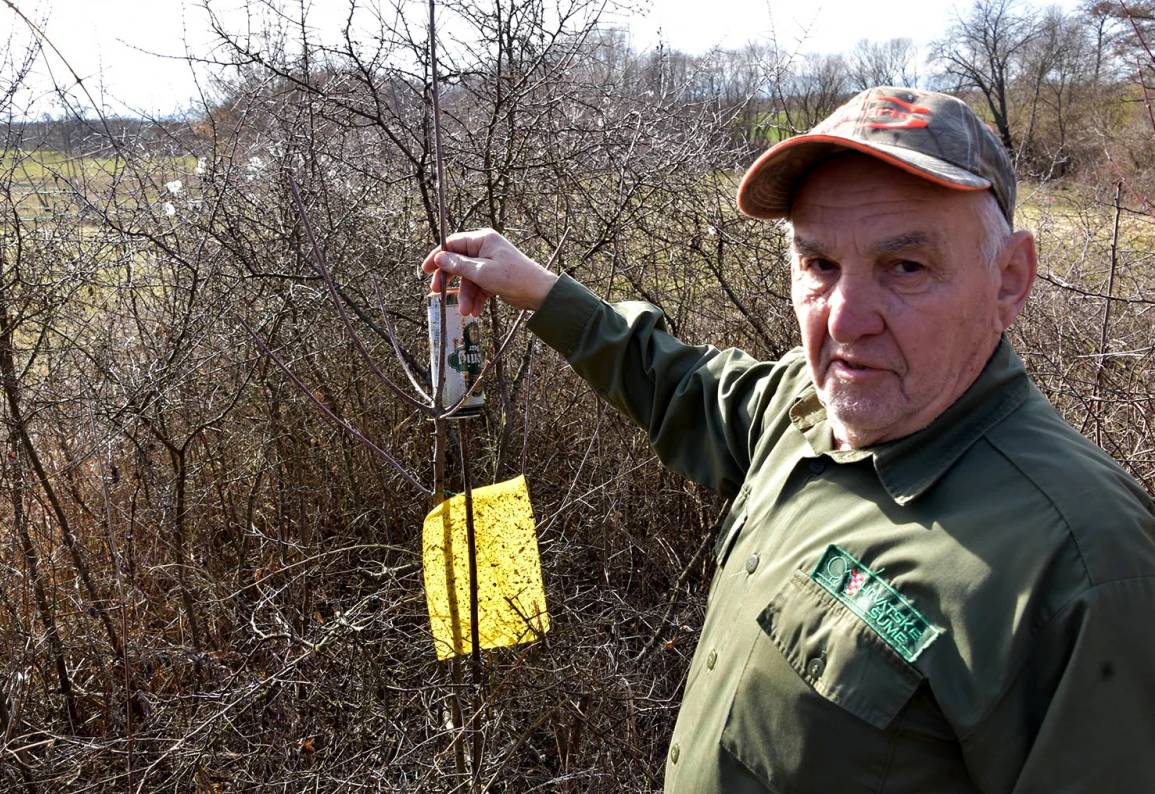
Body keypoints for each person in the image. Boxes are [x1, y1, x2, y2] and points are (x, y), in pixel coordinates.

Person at [421, 87, 1155, 793]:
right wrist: (544, 294)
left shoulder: (1084, 566)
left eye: (905, 267)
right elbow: (677, 386)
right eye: (820, 265)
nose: (845, 320)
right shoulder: (803, 406)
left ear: (1009, 279)